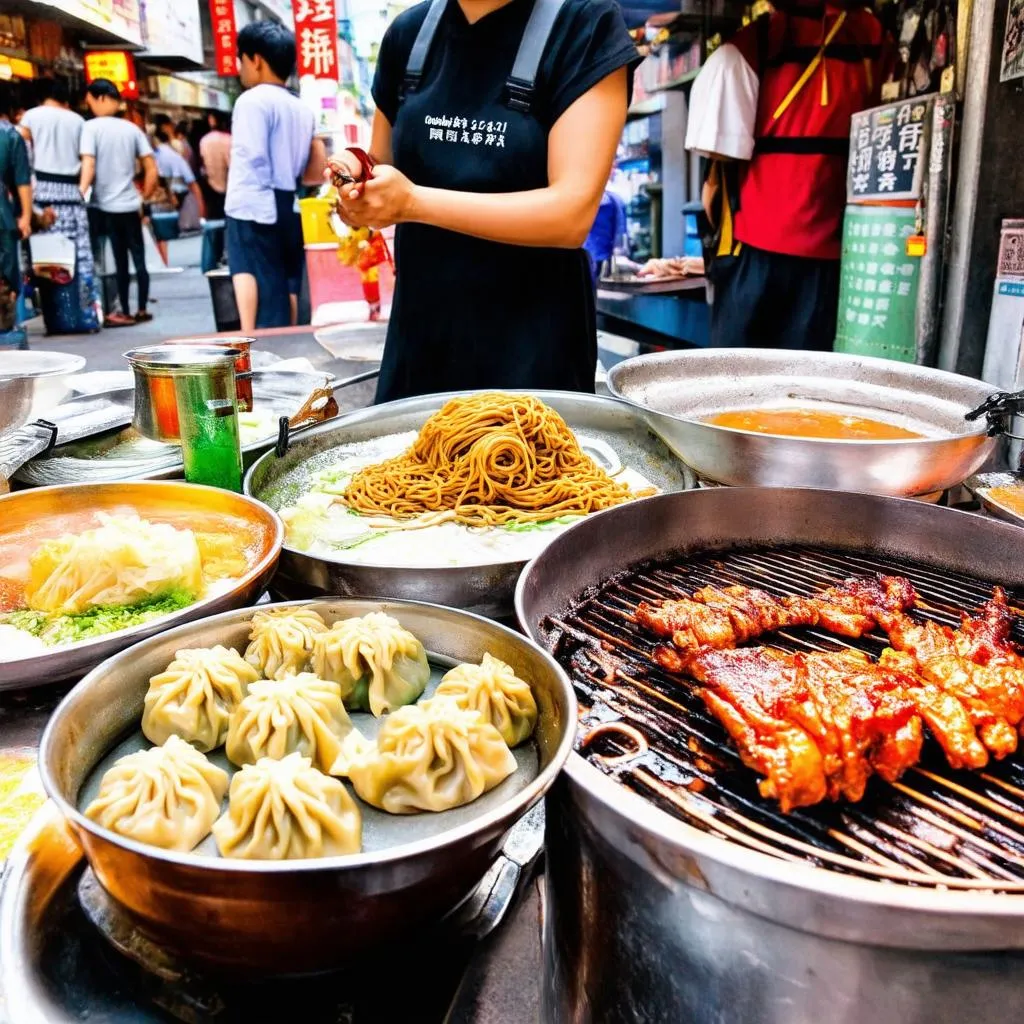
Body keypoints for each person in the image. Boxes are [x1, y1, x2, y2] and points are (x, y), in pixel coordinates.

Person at [328, 0, 639, 404]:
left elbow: (571, 214)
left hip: (532, 356)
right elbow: (381, 162)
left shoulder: (585, 24)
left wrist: (413, 203)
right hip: (420, 346)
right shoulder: (408, 34)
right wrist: (357, 184)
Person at [685, 0, 890, 350]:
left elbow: (716, 173)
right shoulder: (877, 40)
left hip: (755, 252)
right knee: (809, 383)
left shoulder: (745, 49)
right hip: (837, 257)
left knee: (739, 377)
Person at [226, 22, 326, 331]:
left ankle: (248, 338)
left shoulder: (251, 100)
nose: (241, 68)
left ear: (255, 59)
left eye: (241, 59)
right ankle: (289, 338)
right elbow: (314, 169)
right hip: (288, 200)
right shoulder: (301, 108)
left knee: (248, 268)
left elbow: (253, 154)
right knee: (287, 279)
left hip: (253, 202)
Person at [19, 78, 100, 333]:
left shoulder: (30, 117)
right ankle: (84, 315)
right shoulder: (77, 120)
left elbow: (20, 153)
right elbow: (89, 161)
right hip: (71, 196)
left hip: (42, 195)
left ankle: (55, 317)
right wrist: (81, 190)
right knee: (81, 259)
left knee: (48, 260)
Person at [80, 78, 158, 327]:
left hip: (107, 208)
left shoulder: (90, 128)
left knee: (120, 261)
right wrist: (144, 197)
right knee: (139, 258)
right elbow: (150, 167)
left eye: (91, 100)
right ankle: (142, 308)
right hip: (131, 205)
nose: (89, 105)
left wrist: (80, 194)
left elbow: (89, 165)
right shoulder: (132, 129)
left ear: (101, 98)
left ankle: (123, 309)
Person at [0, 119, 30, 323]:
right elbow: (22, 181)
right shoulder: (10, 135)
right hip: (3, 218)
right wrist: (26, 216)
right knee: (8, 278)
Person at [153, 114, 205, 231]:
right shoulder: (174, 156)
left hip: (159, 206)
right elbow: (193, 185)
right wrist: (201, 215)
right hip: (179, 200)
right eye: (171, 125)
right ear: (165, 127)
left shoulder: (153, 154)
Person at [583, 181, 627, 286]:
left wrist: (619, 250)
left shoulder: (614, 200)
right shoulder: (614, 200)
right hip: (592, 253)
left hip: (599, 254)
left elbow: (620, 229)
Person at [199, 111, 231, 220]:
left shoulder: (204, 140)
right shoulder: (229, 139)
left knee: (214, 217)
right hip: (229, 184)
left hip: (210, 184)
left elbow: (203, 163)